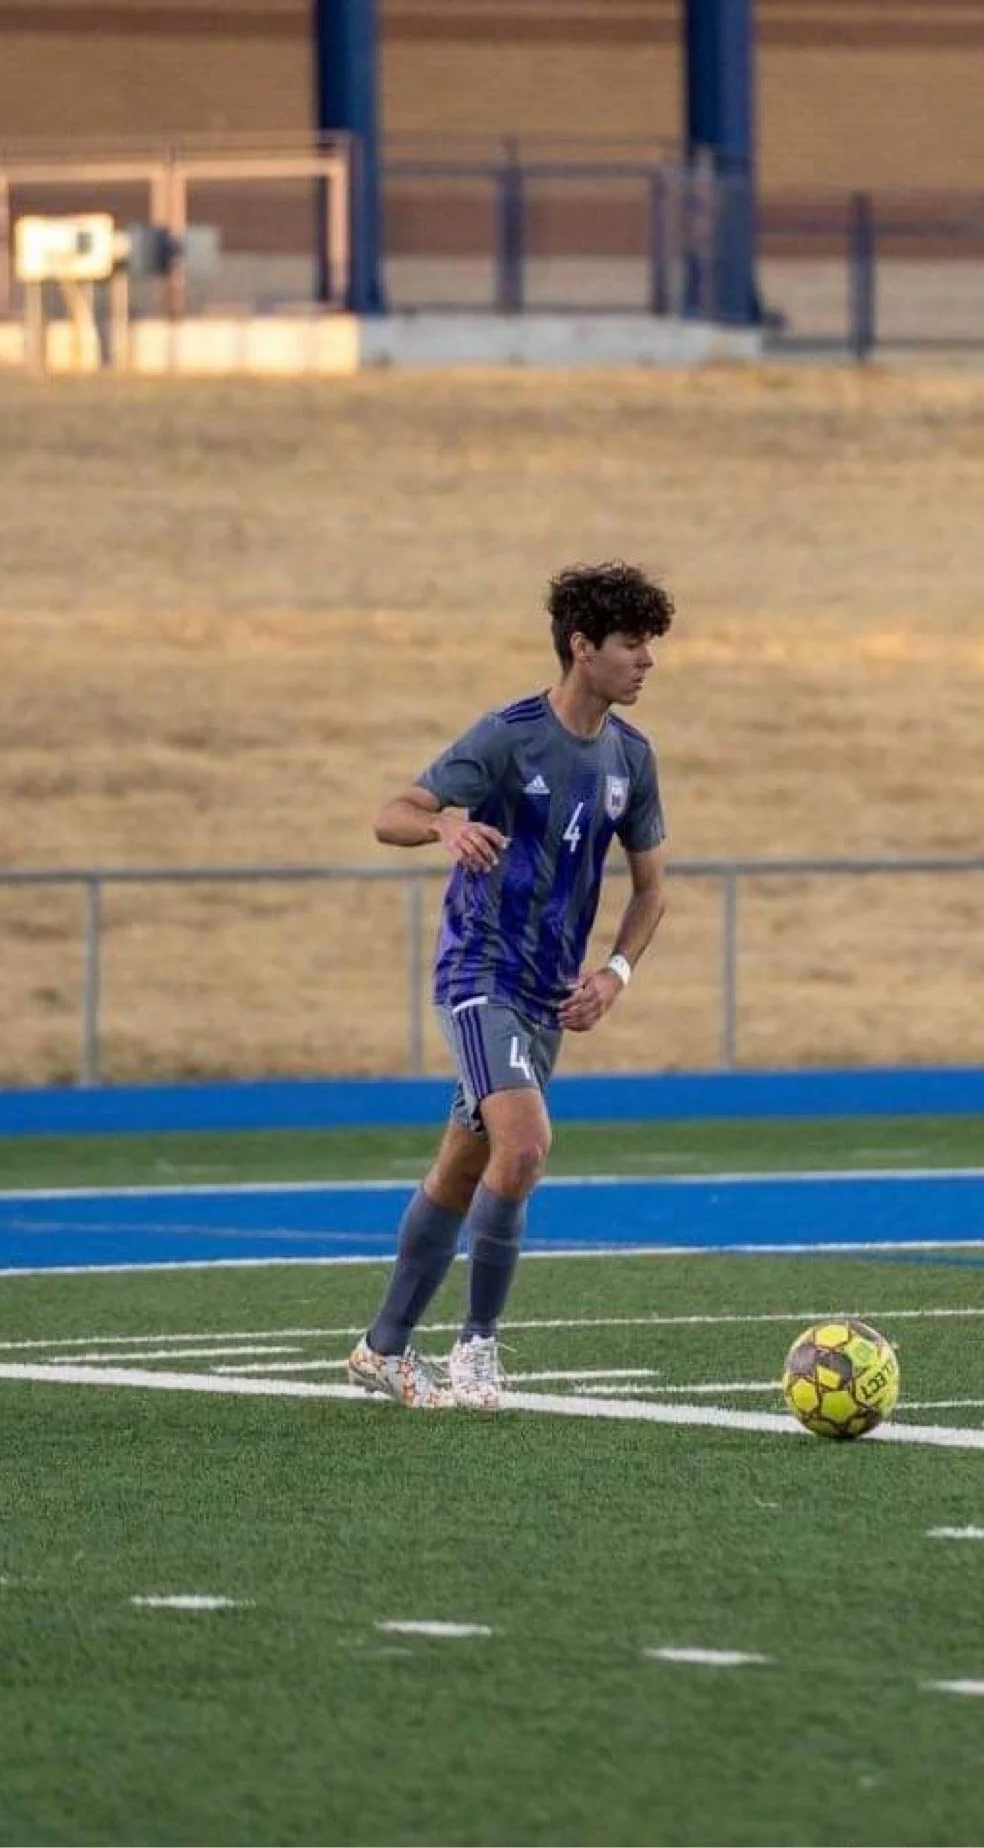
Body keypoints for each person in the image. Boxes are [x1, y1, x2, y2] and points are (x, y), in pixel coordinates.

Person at [347, 561, 674, 1410]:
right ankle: (477, 1347)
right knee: (523, 1147)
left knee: (464, 1168)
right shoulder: (507, 736)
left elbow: (651, 889)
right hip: (478, 973)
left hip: (547, 997)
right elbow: (393, 814)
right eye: (632, 645)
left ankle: (383, 1350)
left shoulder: (632, 760)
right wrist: (447, 826)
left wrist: (616, 972)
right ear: (581, 647)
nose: (647, 662)